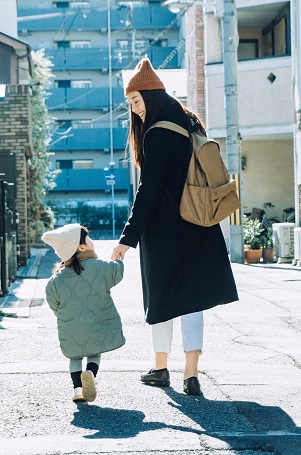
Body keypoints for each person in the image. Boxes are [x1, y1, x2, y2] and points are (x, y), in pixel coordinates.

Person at [111, 58, 238, 396]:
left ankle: (161, 367)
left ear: (151, 96)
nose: (135, 111)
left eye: (137, 101)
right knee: (192, 300)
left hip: (164, 230)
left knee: (163, 299)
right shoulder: (189, 122)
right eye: (131, 104)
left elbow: (148, 190)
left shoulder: (156, 133)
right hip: (198, 222)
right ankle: (192, 374)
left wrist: (127, 238)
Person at [43, 224, 126, 403]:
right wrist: (117, 259)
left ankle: (77, 391)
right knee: (94, 351)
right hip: (96, 323)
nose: (91, 240)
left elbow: (53, 302)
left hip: (71, 326)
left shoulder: (56, 279)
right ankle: (90, 373)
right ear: (81, 247)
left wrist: (64, 316)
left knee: (74, 356)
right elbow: (116, 273)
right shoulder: (100, 267)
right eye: (88, 238)